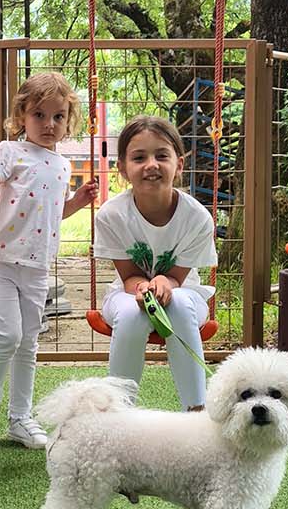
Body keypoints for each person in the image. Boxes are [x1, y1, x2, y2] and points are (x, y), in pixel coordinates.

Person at [0, 70, 96, 450]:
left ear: (68, 121)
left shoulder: (62, 165)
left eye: (58, 116)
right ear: (22, 115)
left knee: (29, 342)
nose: (49, 124)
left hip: (37, 267)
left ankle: (20, 419)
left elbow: (52, 212)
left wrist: (77, 203)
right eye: (39, 115)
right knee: (9, 335)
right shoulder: (10, 151)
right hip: (0, 261)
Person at [92, 115, 217, 411]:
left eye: (162, 156)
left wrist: (166, 282)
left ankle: (196, 411)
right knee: (131, 315)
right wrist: (144, 287)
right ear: (123, 168)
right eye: (139, 158)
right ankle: (119, 414)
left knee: (179, 304)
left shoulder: (197, 218)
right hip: (127, 293)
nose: (151, 165)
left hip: (185, 293)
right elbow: (129, 277)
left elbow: (178, 279)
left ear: (179, 164)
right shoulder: (111, 215)